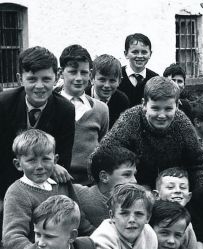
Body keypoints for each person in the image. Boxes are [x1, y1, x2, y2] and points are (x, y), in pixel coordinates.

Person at [0, 46, 75, 249]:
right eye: (32, 79)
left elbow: (63, 153)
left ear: (57, 78)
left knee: (41, 229)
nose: (39, 86)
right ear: (21, 79)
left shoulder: (64, 109)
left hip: (40, 176)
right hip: (1, 174)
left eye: (46, 79)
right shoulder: (3, 102)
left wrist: (56, 168)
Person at [99, 76, 203, 190]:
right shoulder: (130, 120)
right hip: (135, 189)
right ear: (144, 104)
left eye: (168, 109)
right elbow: (102, 154)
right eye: (155, 108)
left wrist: (201, 192)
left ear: (177, 106)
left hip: (172, 189)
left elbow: (197, 163)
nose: (161, 115)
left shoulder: (182, 124)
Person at [2, 129, 93, 249]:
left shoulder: (61, 184)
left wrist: (95, 239)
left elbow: (79, 220)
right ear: (18, 164)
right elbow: (13, 236)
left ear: (55, 160)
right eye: (31, 160)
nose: (39, 166)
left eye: (45, 159)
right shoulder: (17, 192)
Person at [57, 44, 109, 185]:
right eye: (73, 72)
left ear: (90, 73)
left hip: (90, 183)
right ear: (61, 72)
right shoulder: (51, 105)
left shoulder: (101, 109)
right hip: (57, 181)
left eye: (84, 72)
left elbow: (103, 147)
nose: (79, 78)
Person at [74, 145, 138, 229]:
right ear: (104, 177)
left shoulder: (138, 203)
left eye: (134, 175)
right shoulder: (79, 195)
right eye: (127, 174)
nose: (134, 181)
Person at [153, 167, 203, 249]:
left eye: (182, 187)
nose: (177, 191)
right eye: (170, 187)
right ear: (156, 195)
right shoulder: (150, 218)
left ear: (189, 197)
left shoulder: (186, 224)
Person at [86, 54, 130, 127]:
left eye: (112, 81)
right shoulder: (83, 97)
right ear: (91, 78)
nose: (107, 85)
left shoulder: (122, 101)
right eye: (102, 80)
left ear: (119, 81)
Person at [118, 33, 159, 106]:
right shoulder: (117, 76)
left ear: (150, 54)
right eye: (135, 52)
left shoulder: (155, 79)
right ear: (126, 54)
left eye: (144, 52)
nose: (140, 56)